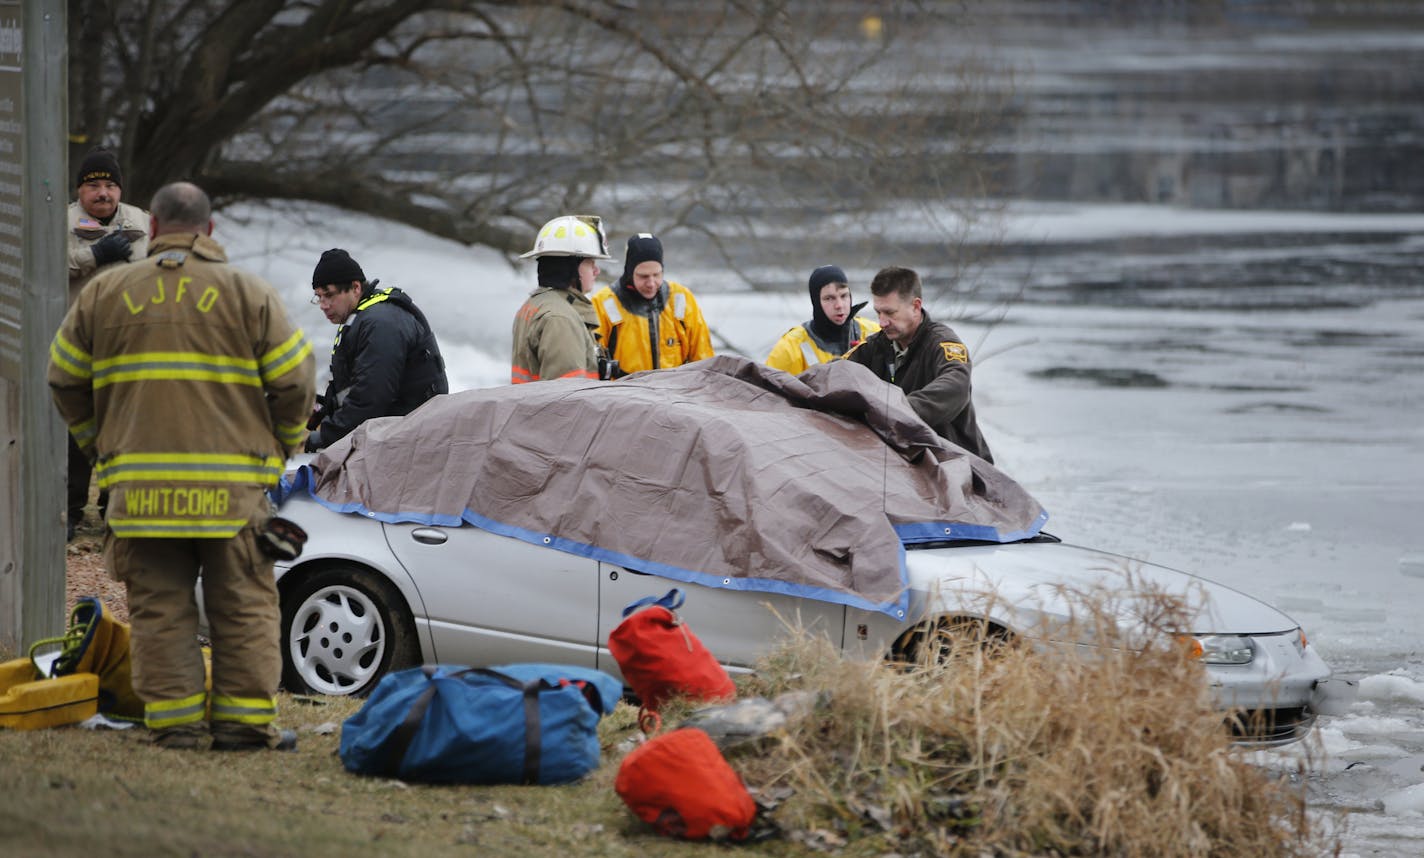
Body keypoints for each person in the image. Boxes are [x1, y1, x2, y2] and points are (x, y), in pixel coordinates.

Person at [47, 181, 317, 750]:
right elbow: (295, 381)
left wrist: (102, 450)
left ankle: (176, 728)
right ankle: (243, 727)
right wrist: (279, 448)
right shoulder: (250, 294)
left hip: (140, 491)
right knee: (242, 604)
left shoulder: (106, 293)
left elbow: (64, 377)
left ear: (152, 228)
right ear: (209, 230)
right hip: (231, 492)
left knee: (160, 609)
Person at [65, 147, 149, 538]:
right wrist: (92, 255)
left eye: (110, 185)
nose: (103, 193)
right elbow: (37, 270)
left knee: (124, 430)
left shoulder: (144, 223)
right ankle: (67, 509)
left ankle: (115, 510)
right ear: (79, 191)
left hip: (129, 348)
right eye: (94, 185)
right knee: (73, 429)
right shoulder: (57, 224)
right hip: (76, 344)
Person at [845, 266, 994, 462]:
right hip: (911, 463)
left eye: (890, 313)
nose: (882, 323)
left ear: (916, 306)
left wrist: (898, 410)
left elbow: (956, 385)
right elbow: (838, 371)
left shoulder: (943, 344)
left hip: (960, 464)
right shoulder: (875, 346)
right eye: (878, 313)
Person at [305, 249, 448, 451]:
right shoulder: (362, 318)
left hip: (410, 442)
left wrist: (323, 438)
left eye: (328, 295)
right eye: (318, 297)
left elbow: (371, 397)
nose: (323, 305)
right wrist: (324, 410)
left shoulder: (381, 324)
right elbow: (355, 388)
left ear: (355, 288)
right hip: (394, 437)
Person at [591, 233, 714, 375]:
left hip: (675, 393)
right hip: (624, 394)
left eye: (657, 274)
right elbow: (592, 365)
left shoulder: (682, 298)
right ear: (629, 272)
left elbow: (704, 359)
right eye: (643, 276)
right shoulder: (603, 303)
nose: (651, 283)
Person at [511, 214, 615, 383]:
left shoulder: (536, 304)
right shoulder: (561, 319)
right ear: (570, 268)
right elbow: (566, 399)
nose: (596, 271)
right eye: (590, 263)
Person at [765, 264, 880, 374]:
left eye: (844, 296)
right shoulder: (790, 347)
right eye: (829, 298)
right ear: (816, 302)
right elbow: (767, 389)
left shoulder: (875, 333)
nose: (839, 305)